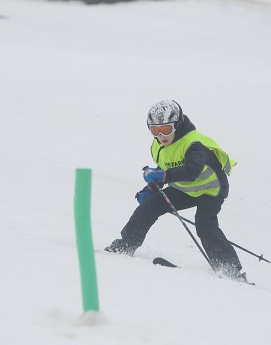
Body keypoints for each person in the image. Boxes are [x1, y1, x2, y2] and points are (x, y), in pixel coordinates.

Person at [105, 100, 247, 282]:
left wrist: (163, 177)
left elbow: (192, 170)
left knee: (204, 224)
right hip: (184, 189)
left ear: (177, 125)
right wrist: (152, 187)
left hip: (211, 190)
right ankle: (125, 245)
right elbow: (165, 166)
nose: (161, 135)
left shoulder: (193, 143)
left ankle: (230, 270)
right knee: (150, 206)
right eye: (155, 131)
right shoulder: (158, 145)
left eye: (166, 129)